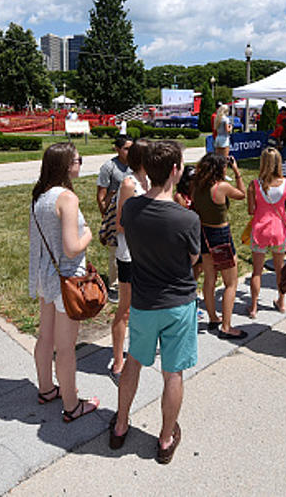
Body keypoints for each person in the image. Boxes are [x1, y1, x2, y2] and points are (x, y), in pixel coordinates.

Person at [110, 140, 201, 464]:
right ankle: (165, 440)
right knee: (173, 373)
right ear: (175, 171)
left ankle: (120, 424)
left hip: (144, 302)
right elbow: (193, 258)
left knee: (133, 362)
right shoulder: (187, 219)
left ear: (146, 169)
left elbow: (126, 233)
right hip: (178, 304)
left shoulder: (132, 208)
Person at [29, 142, 100, 422]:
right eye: (78, 160)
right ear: (66, 165)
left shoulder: (40, 196)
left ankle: (46, 388)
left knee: (45, 337)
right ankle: (72, 405)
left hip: (47, 276)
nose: (80, 163)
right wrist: (89, 235)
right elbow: (72, 247)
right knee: (66, 347)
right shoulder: (67, 198)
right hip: (68, 279)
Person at [192, 152, 247, 339]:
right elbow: (242, 195)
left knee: (209, 278)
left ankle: (213, 317)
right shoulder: (221, 187)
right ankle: (227, 326)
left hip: (204, 234)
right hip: (221, 235)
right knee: (231, 283)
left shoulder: (197, 186)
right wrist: (237, 172)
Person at [109, 139, 151, 383]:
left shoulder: (151, 181)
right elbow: (120, 223)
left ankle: (137, 350)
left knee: (143, 307)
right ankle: (117, 360)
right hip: (130, 254)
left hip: (148, 254)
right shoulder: (129, 182)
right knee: (125, 309)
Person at [247, 147, 286, 318]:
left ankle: (253, 307)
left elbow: (251, 211)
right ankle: (281, 302)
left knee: (257, 272)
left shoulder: (254, 184)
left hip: (260, 230)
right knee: (279, 269)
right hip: (279, 230)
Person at [97, 135, 133, 300]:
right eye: (126, 148)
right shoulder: (109, 167)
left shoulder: (136, 164)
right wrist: (105, 217)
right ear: (117, 149)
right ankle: (114, 285)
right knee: (115, 250)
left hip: (133, 211)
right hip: (114, 212)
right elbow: (101, 194)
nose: (130, 151)